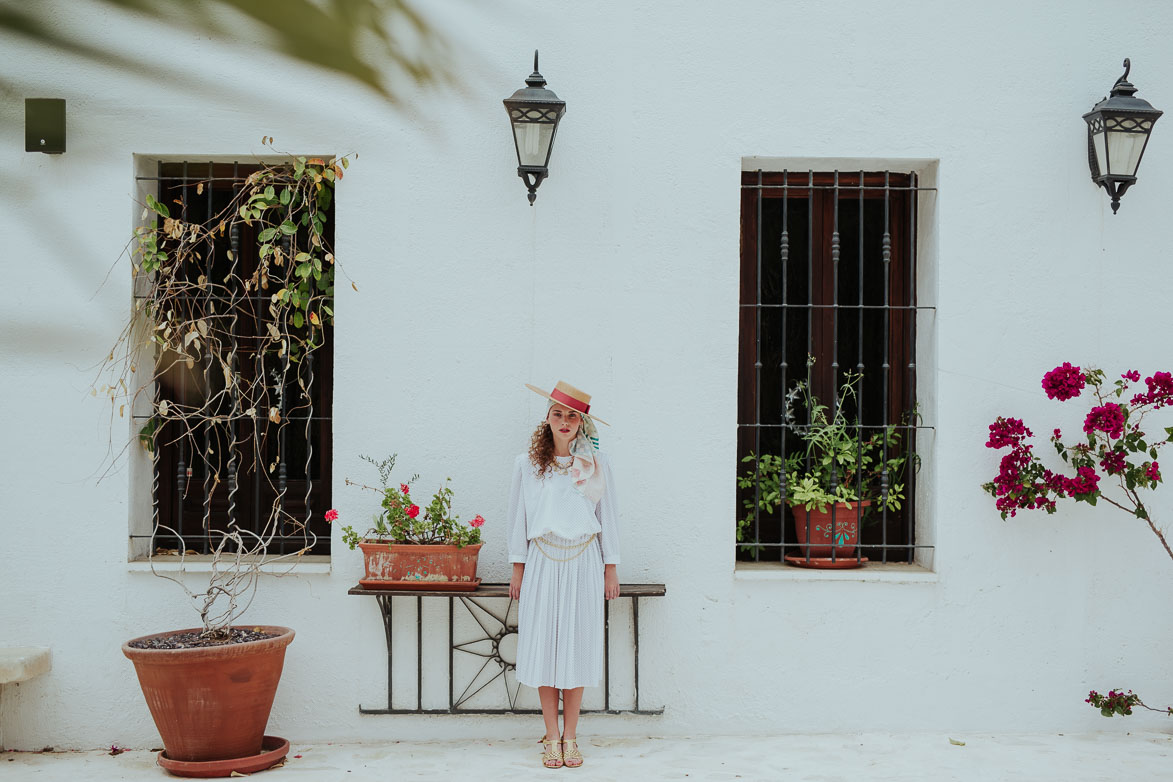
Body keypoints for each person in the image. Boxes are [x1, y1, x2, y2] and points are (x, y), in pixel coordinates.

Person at [507, 380, 620, 769]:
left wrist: (611, 567)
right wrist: (518, 568)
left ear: (582, 422)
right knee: (544, 646)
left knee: (576, 645)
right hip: (541, 562)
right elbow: (518, 519)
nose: (565, 421)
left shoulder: (595, 465)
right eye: (558, 413)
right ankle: (550, 736)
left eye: (573, 415)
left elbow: (609, 518)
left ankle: (571, 736)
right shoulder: (526, 464)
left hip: (584, 562)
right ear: (548, 418)